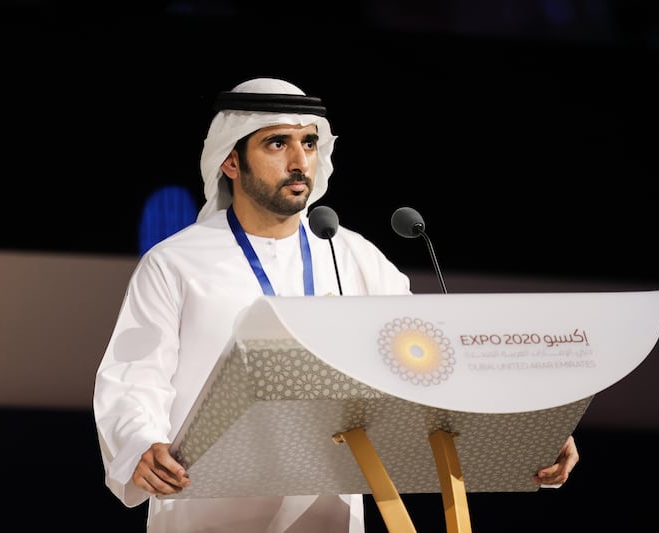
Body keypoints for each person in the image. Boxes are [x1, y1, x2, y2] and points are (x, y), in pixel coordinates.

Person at [93, 77, 579, 533]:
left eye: (308, 143)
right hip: (209, 508)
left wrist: (526, 425)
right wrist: (139, 444)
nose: (300, 161)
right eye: (277, 143)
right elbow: (135, 374)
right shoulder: (177, 261)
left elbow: (429, 357)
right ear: (231, 161)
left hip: (325, 509)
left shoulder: (349, 253)